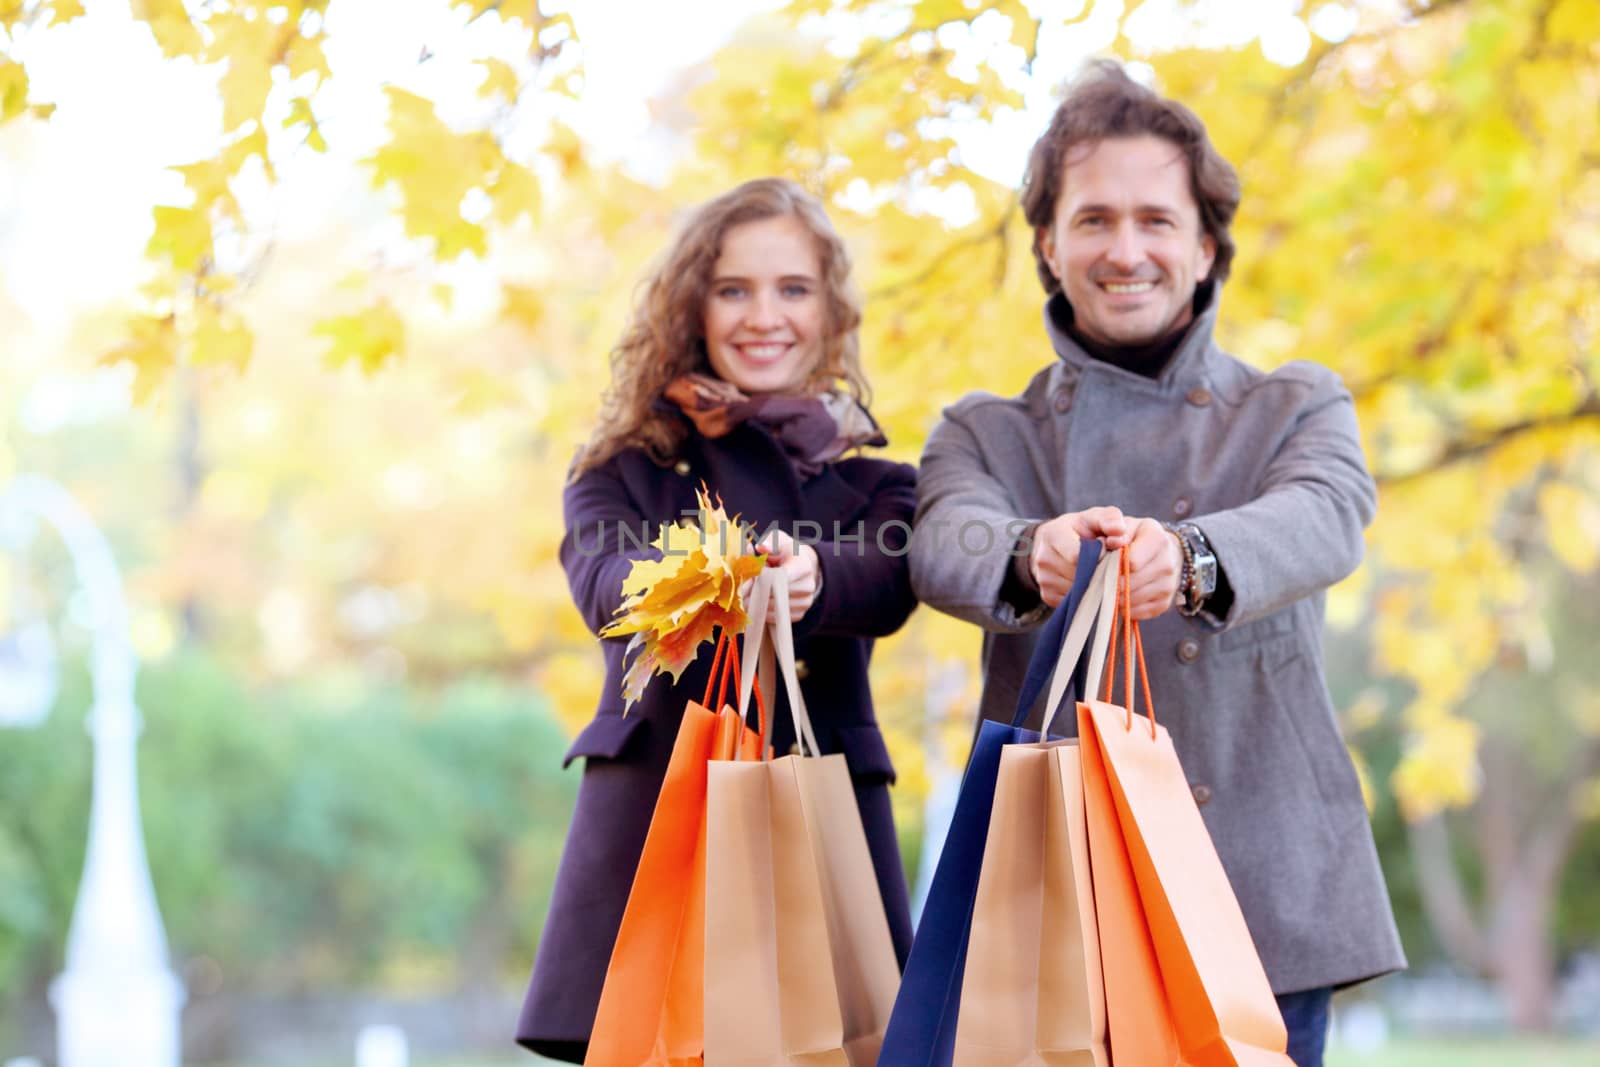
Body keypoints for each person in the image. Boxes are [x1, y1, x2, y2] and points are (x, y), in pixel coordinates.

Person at [907, 61, 1405, 1067]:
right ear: (1047, 244)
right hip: (1054, 894)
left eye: (1155, 219)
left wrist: (1190, 557)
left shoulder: (1293, 405)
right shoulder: (983, 431)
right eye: (1092, 220)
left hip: (1258, 893)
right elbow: (939, 539)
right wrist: (1025, 551)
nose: (1123, 250)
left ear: (1205, 243)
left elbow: (1325, 515)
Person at [515, 177, 916, 1061]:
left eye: (793, 289)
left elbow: (888, 576)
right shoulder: (622, 464)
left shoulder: (879, 481)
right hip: (660, 823)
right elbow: (603, 580)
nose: (762, 315)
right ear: (692, 306)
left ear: (831, 311)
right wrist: (714, 577)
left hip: (821, 815)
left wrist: (810, 578)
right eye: (733, 288)